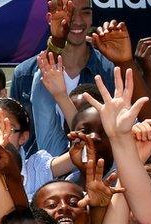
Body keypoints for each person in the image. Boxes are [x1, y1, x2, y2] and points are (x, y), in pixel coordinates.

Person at [11, 0, 114, 156]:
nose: (78, 20)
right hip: (37, 178)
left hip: (92, 171)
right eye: (70, 13)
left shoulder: (108, 71)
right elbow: (13, 135)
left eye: (85, 12)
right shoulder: (24, 73)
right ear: (49, 18)